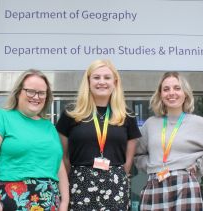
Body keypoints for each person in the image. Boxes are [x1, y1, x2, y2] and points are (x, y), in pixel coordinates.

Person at [134, 71, 203, 211]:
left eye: (177, 88)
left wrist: (199, 166)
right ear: (160, 95)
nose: (171, 93)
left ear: (185, 93)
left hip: (184, 185)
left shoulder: (198, 123)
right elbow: (136, 154)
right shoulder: (150, 124)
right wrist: (151, 165)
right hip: (155, 184)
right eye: (166, 89)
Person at [56, 59, 141, 211]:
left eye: (107, 78)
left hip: (115, 185)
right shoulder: (71, 113)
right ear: (88, 81)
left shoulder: (127, 115)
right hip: (79, 184)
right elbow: (63, 157)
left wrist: (115, 177)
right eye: (96, 77)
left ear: (115, 82)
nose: (102, 82)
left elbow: (129, 161)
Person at [0, 69, 69, 211]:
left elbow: (59, 166)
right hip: (6, 199)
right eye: (30, 91)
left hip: (48, 202)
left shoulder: (49, 127)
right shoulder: (0, 118)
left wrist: (64, 201)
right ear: (19, 91)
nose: (36, 97)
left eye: (41, 93)